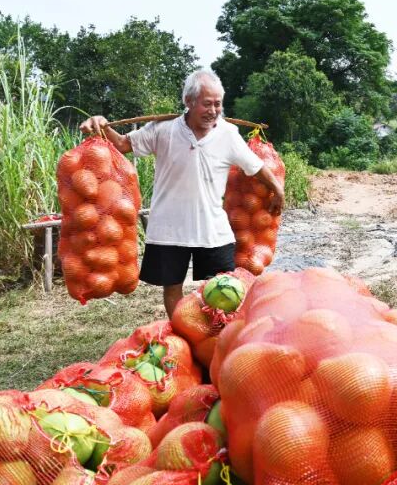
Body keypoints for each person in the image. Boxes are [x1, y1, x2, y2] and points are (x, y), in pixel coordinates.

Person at [79, 69, 284, 317]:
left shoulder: (228, 133)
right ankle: (182, 335)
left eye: (218, 104)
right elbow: (123, 144)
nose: (213, 111)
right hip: (168, 229)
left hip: (212, 229)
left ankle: (216, 338)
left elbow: (256, 166)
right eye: (207, 104)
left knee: (224, 286)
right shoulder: (162, 129)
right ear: (189, 102)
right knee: (172, 287)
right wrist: (101, 124)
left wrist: (277, 188)